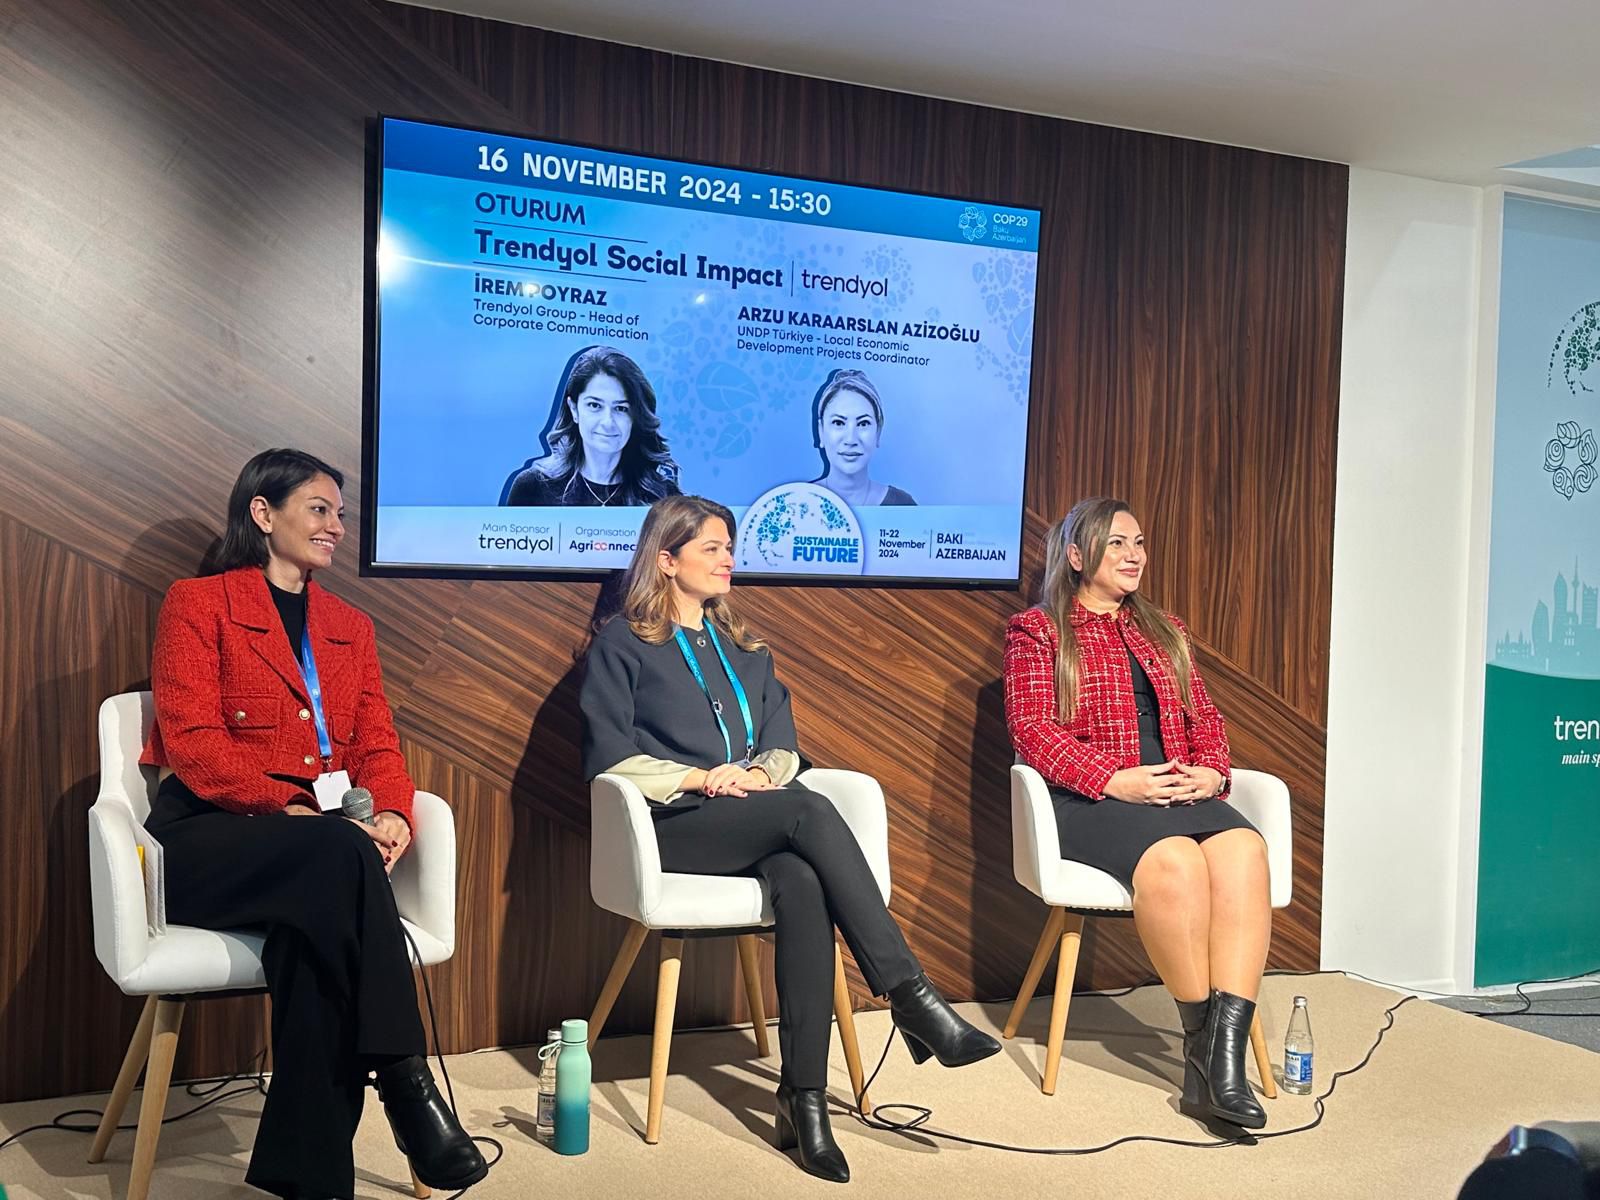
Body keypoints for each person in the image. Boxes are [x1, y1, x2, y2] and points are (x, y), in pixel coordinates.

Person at [579, 494, 998, 1183]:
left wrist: (753, 774)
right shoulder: (624, 643)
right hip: (669, 829)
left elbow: (785, 749)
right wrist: (702, 778)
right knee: (807, 813)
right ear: (666, 559)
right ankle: (911, 997)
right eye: (711, 547)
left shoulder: (745, 647)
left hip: (751, 813)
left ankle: (802, 1103)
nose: (727, 559)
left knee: (802, 882)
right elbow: (608, 757)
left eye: (729, 547)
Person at [139, 449, 486, 1200]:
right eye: (319, 509)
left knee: (318, 929)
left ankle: (311, 1180)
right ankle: (404, 1080)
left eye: (340, 511)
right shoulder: (198, 604)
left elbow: (376, 740)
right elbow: (195, 746)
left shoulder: (347, 625)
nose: (337, 526)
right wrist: (292, 808)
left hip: (319, 856)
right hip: (210, 838)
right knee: (332, 851)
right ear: (264, 515)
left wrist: (392, 808)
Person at [1003, 497, 1271, 1130]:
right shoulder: (1039, 631)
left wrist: (1213, 770)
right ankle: (1204, 1047)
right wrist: (1113, 780)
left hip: (1177, 788)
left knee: (1245, 851)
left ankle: (1218, 1058)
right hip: (1092, 798)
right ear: (1076, 556)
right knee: (1176, 863)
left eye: (1140, 543)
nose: (1133, 556)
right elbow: (1032, 732)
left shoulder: (1164, 628)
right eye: (1117, 543)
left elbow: (1204, 716)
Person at [502, 345, 681, 506]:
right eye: (595, 405)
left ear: (635, 417)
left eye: (621, 408)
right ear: (574, 409)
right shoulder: (532, 487)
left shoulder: (663, 496)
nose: (608, 422)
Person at [808, 369, 916, 506]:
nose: (851, 439)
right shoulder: (795, 504)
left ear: (878, 432)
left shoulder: (903, 506)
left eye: (863, 423)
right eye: (838, 423)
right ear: (820, 431)